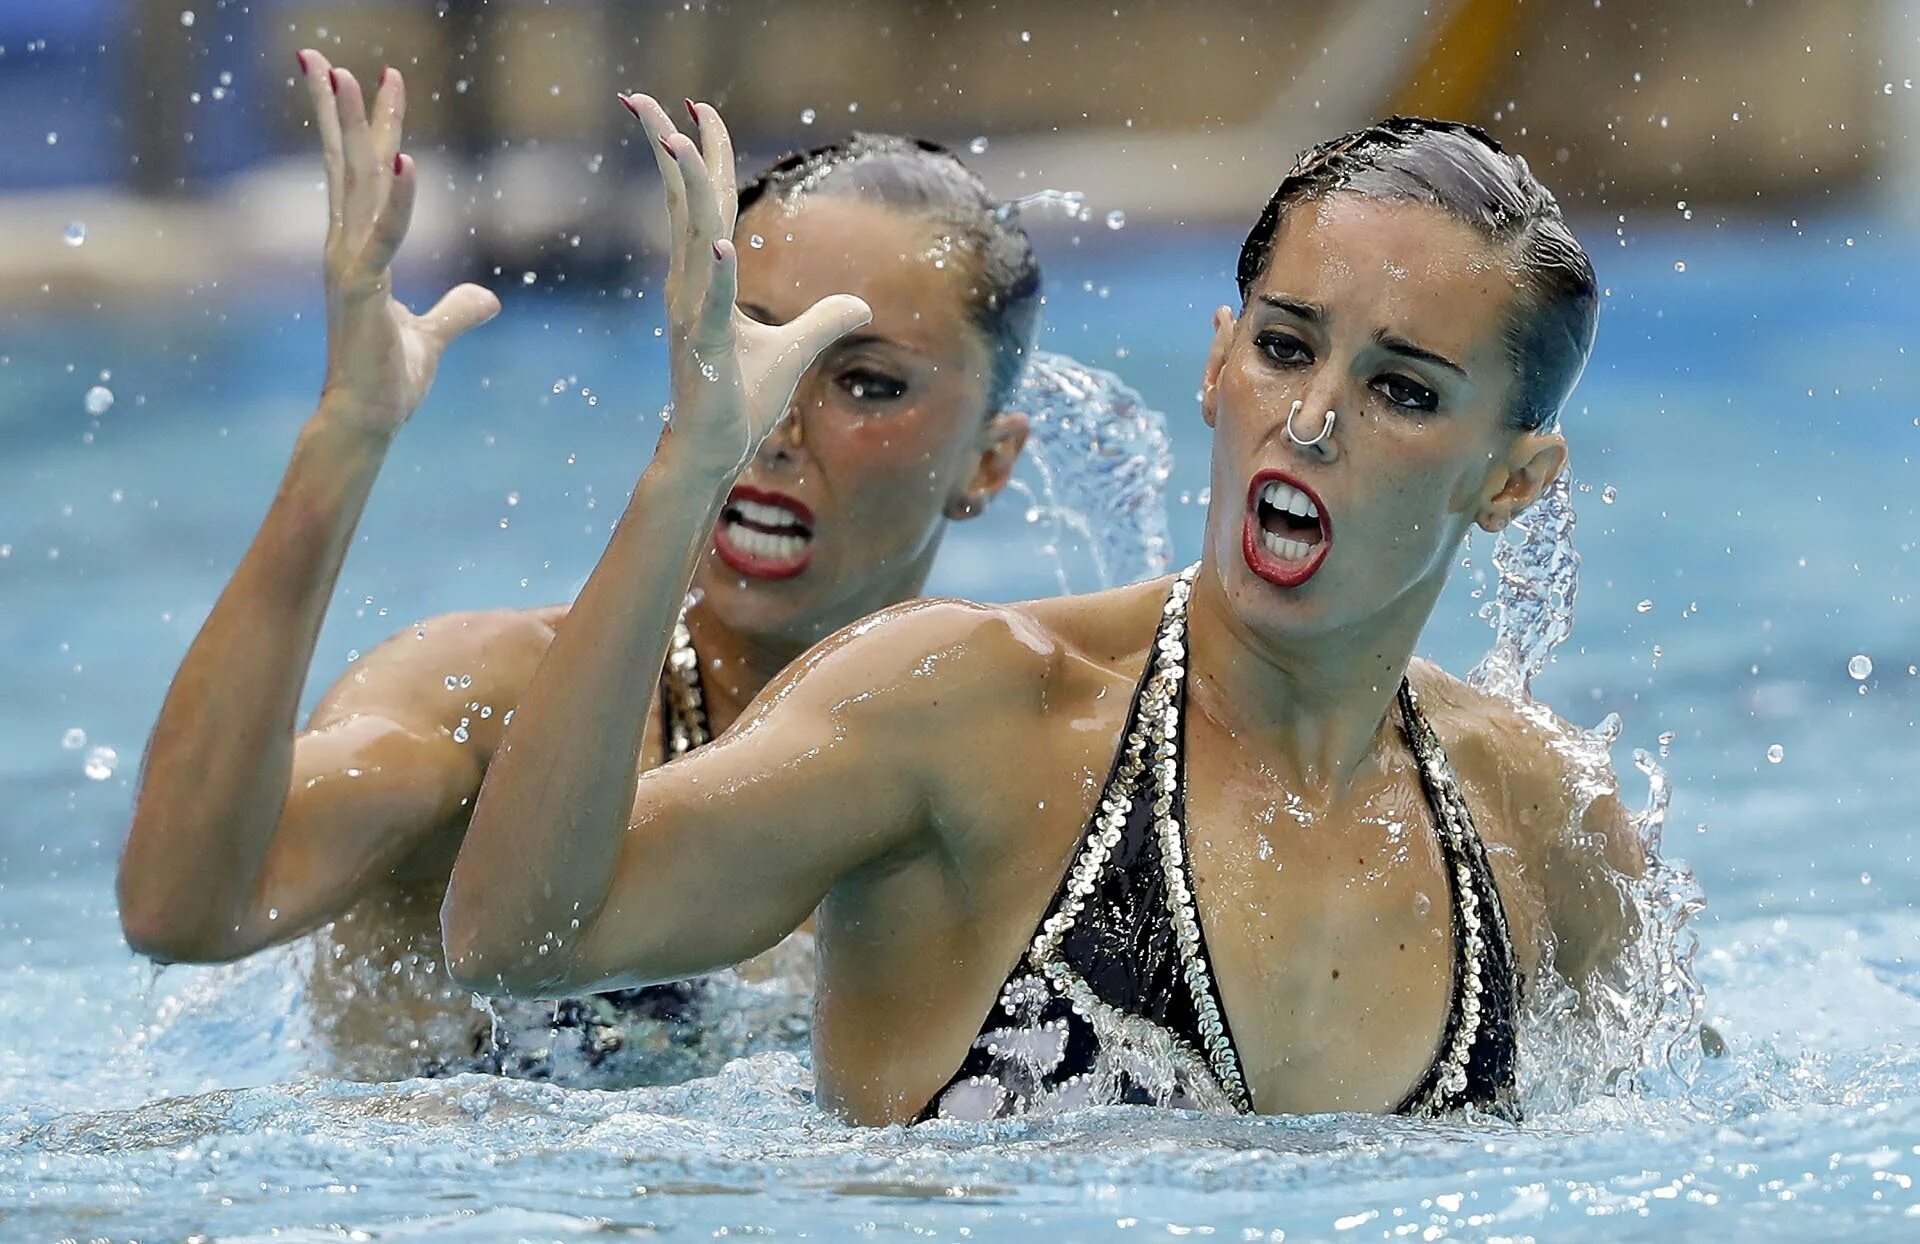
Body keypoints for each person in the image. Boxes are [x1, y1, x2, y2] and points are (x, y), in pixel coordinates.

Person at [443, 108, 1644, 1124]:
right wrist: (687, 468)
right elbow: (516, 936)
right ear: (1219, 365)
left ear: (1510, 481)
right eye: (1285, 347)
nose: (1316, 416)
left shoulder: (1537, 819)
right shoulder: (968, 706)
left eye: (1401, 388)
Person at [115, 53, 1043, 1082]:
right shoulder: (491, 700)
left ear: (990, 462)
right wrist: (345, 435)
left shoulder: (991, 759)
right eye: (740, 339)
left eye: (865, 383)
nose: (771, 420)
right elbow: (181, 908)